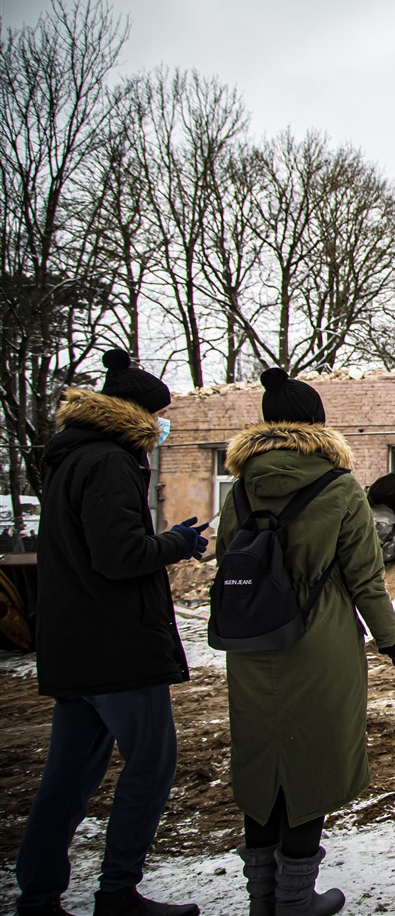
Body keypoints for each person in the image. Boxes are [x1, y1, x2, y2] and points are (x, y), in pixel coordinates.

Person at [218, 369, 395, 916]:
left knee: (262, 763)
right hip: (319, 641)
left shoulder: (240, 488)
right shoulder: (339, 488)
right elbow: (365, 582)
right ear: (318, 423)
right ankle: (296, 898)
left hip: (252, 641)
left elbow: (226, 560)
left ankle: (262, 898)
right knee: (312, 761)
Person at [16, 349, 206, 916]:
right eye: (159, 416)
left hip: (74, 645)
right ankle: (118, 891)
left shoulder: (69, 457)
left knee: (68, 778)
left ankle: (38, 897)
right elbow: (119, 555)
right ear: (136, 415)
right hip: (117, 647)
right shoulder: (109, 462)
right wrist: (177, 543)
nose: (162, 426)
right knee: (150, 765)